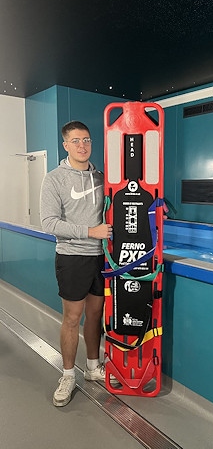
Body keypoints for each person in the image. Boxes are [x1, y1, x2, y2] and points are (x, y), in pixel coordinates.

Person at [40, 120, 112, 407]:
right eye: (76, 141)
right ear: (65, 145)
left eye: (87, 140)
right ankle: (68, 375)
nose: (82, 146)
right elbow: (48, 223)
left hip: (101, 257)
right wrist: (89, 232)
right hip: (72, 258)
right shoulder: (54, 178)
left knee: (95, 316)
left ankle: (93, 367)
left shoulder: (102, 178)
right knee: (72, 319)